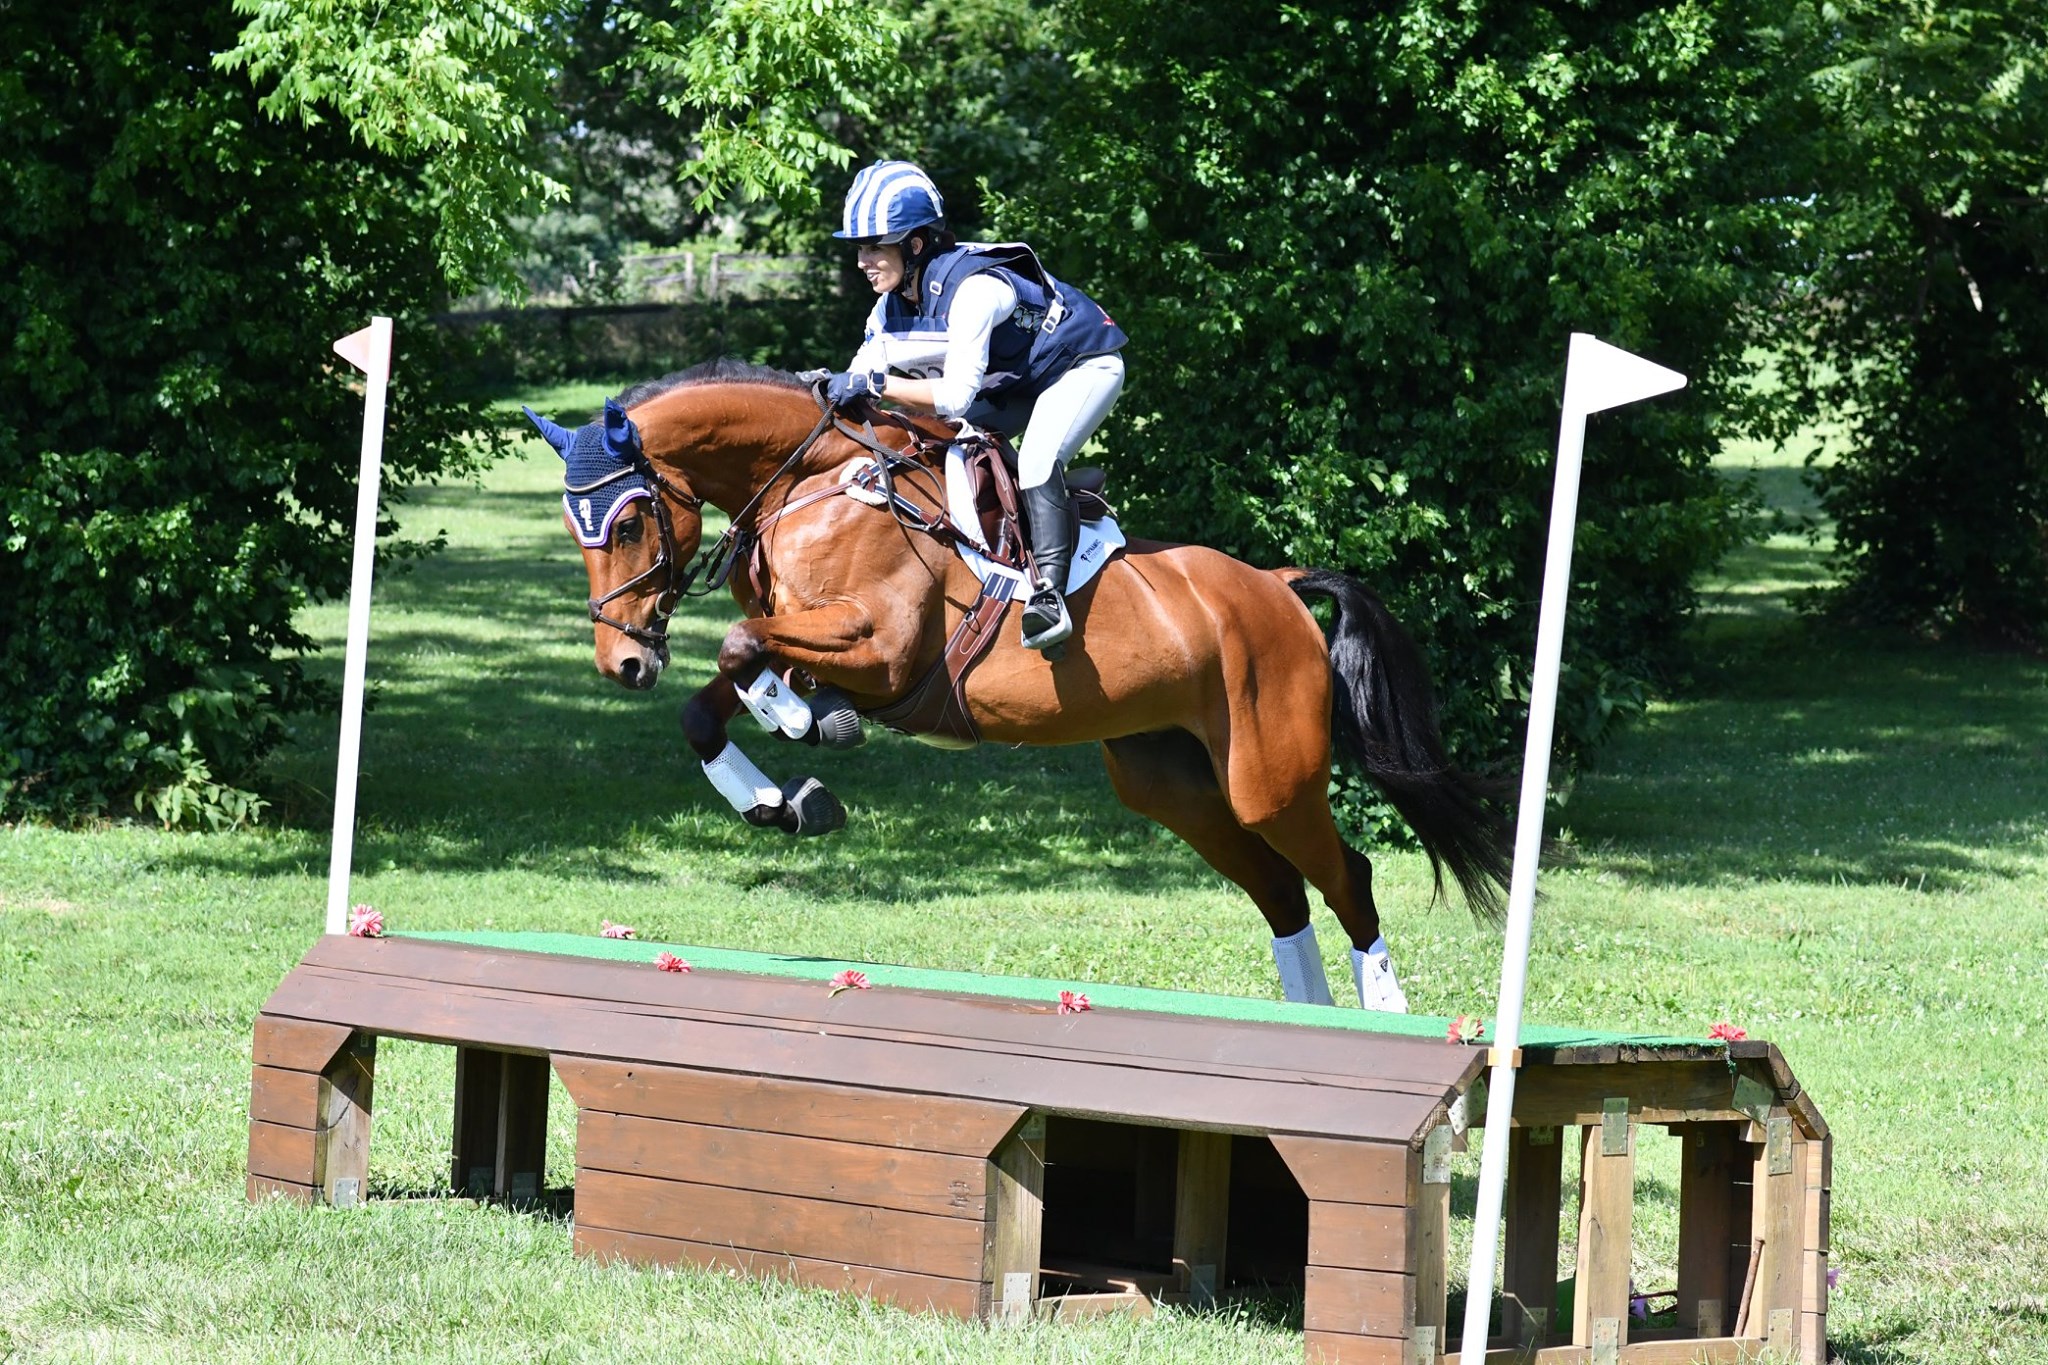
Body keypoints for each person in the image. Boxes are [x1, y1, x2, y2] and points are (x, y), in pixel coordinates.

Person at [823, 160, 1127, 652]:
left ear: (915, 245)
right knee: (929, 446)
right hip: (1015, 383)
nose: (862, 260)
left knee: (1035, 460)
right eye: (861, 247)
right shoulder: (888, 304)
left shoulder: (975, 289)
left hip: (1081, 367)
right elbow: (860, 377)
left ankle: (1049, 598)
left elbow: (954, 397)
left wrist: (876, 381)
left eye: (874, 245)